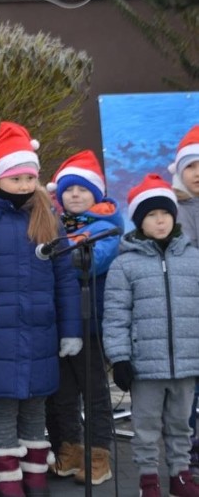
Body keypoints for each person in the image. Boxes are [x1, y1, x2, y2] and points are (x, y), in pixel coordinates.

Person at [0, 121, 82, 497]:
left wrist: (70, 330)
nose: (25, 185)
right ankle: (8, 484)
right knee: (2, 409)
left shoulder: (46, 216)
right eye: (16, 177)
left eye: (30, 177)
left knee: (36, 408)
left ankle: (35, 478)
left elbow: (64, 279)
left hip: (39, 333)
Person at [103, 174, 199, 497]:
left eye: (165, 214)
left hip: (186, 362)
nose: (160, 221)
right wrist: (120, 358)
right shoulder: (125, 265)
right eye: (152, 216)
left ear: (174, 216)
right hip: (145, 365)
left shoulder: (194, 260)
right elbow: (116, 316)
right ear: (140, 221)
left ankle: (180, 475)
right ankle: (148, 480)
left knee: (180, 424)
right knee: (145, 428)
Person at [43, 150, 122, 485]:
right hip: (60, 321)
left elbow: (91, 261)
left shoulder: (106, 227)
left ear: (96, 194)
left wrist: (56, 252)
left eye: (82, 189)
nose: (75, 195)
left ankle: (99, 454)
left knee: (94, 391)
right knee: (61, 391)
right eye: (68, 190)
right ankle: (71, 448)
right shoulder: (55, 224)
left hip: (89, 322)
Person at [169, 125, 199, 473]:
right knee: (186, 392)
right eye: (191, 166)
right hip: (186, 314)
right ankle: (186, 453)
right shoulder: (171, 208)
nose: (197, 174)